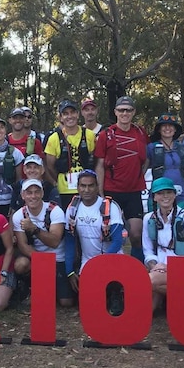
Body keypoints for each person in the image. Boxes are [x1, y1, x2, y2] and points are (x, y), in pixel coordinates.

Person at [94, 95, 148, 262]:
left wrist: (138, 174)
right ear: (115, 112)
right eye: (121, 110)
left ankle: (137, 266)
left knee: (136, 234)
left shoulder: (140, 132)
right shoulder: (106, 134)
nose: (125, 113)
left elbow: (146, 159)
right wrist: (101, 193)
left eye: (129, 110)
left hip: (133, 191)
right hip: (112, 191)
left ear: (134, 112)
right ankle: (111, 267)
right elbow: (100, 165)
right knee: (111, 233)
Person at [63, 170, 125, 315]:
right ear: (77, 187)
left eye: (91, 186)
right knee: (89, 307)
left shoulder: (110, 206)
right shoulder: (73, 208)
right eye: (83, 186)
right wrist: (69, 270)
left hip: (111, 258)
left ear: (97, 187)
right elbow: (70, 240)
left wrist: (99, 265)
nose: (86, 190)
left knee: (110, 285)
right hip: (88, 261)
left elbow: (117, 241)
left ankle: (116, 293)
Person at [142, 177, 184, 314]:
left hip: (182, 271)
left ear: (174, 194)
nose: (165, 196)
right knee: (146, 311)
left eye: (168, 192)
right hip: (158, 270)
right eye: (160, 193)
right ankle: (178, 297)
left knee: (148, 281)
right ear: (154, 197)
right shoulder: (148, 219)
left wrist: (170, 267)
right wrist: (155, 266)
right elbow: (148, 251)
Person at [11, 179, 72, 307]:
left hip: (58, 258)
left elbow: (55, 241)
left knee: (66, 302)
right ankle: (28, 287)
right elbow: (23, 245)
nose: (33, 196)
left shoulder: (54, 210)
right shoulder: (18, 215)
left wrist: (34, 229)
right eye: (29, 193)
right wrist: (43, 264)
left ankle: (52, 287)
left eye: (36, 192)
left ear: (42, 193)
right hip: (37, 259)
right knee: (20, 264)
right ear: (23, 195)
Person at [45, 99, 96, 209]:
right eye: (65, 114)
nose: (70, 116)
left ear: (78, 114)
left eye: (72, 112)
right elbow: (50, 166)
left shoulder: (89, 135)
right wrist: (57, 181)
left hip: (87, 188)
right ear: (61, 117)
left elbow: (96, 161)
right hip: (65, 189)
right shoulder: (54, 138)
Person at [146, 113, 184, 210]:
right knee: (157, 222)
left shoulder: (182, 148)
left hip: (180, 193)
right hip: (159, 193)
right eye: (164, 126)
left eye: (171, 126)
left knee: (179, 222)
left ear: (175, 129)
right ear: (159, 129)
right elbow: (142, 170)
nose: (167, 128)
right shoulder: (151, 148)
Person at [7, 107, 46, 178]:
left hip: (28, 185)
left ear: (24, 120)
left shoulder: (34, 142)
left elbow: (41, 167)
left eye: (21, 118)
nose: (18, 120)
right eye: (15, 118)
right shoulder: (5, 142)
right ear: (10, 120)